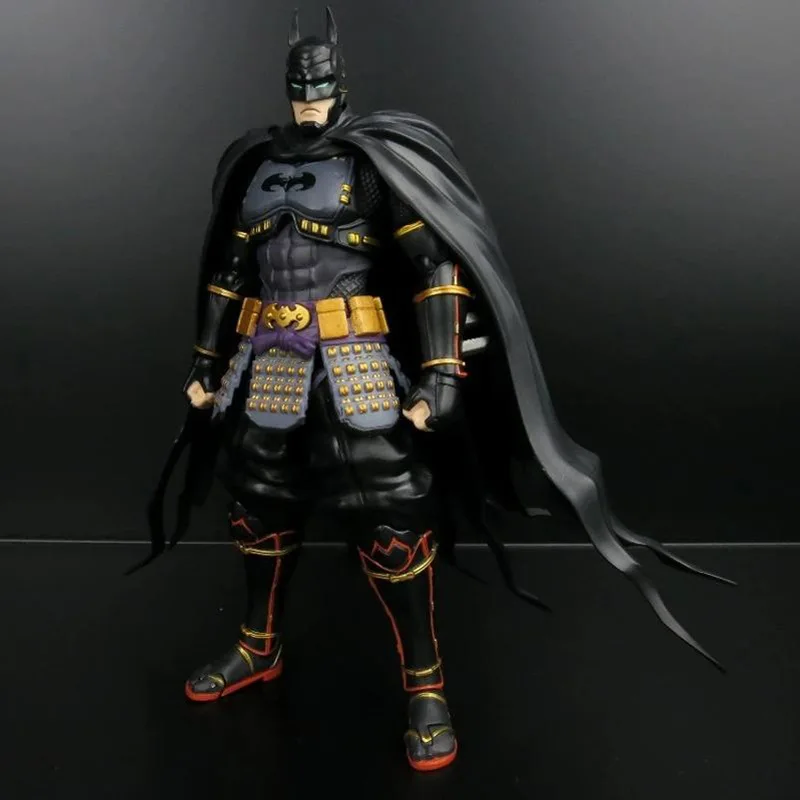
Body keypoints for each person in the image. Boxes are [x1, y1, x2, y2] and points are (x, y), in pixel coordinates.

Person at [138, 6, 733, 772]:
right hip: (267, 356)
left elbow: (433, 268)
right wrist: (205, 361)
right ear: (287, 86)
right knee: (257, 499)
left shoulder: (370, 163)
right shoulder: (256, 166)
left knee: (388, 508)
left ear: (340, 83)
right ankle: (259, 644)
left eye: (320, 86)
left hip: (353, 358)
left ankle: (425, 683)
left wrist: (442, 373)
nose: (310, 101)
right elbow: (227, 271)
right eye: (300, 88)